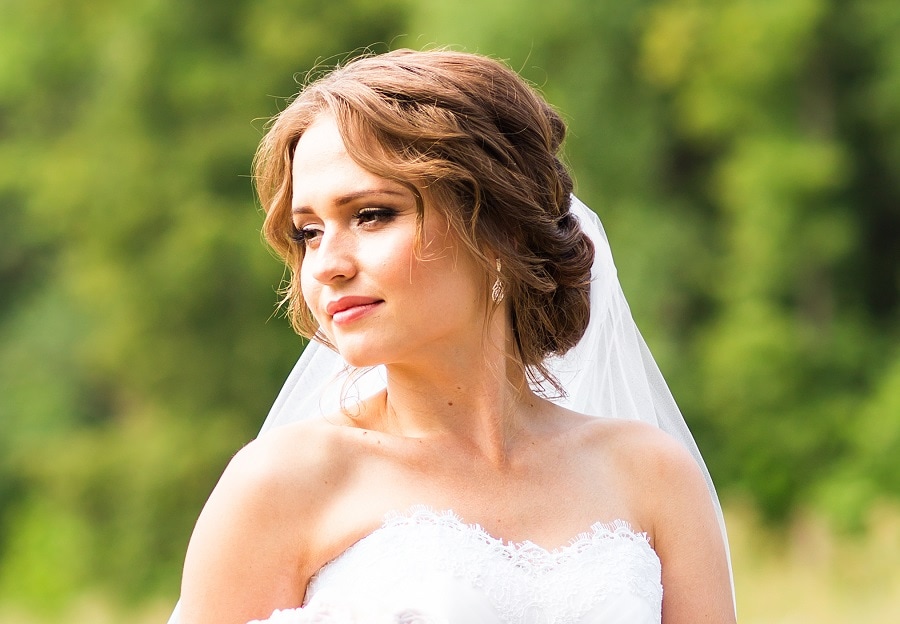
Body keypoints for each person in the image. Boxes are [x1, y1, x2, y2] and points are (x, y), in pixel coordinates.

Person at [170, 49, 736, 624]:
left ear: (498, 229)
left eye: (371, 215)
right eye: (309, 232)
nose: (326, 266)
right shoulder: (283, 482)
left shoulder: (652, 476)